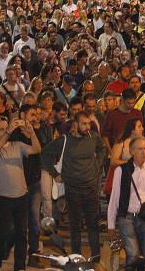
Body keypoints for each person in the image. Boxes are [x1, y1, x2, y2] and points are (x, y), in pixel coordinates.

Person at [41, 111, 106, 261]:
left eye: (89, 123)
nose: (87, 126)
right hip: (72, 189)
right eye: (84, 123)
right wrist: (54, 174)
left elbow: (102, 149)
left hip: (91, 188)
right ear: (75, 124)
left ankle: (96, 259)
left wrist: (98, 165)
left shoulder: (93, 137)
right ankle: (76, 259)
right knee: (75, 227)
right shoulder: (64, 140)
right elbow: (45, 154)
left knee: (93, 226)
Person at [0, 114, 40, 271]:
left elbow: (37, 149)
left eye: (6, 128)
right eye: (0, 129)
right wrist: (9, 129)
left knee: (20, 234)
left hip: (21, 196)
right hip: (3, 197)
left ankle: (19, 269)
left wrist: (32, 133)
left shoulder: (18, 145)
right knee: (1, 233)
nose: (5, 131)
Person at [107, 136, 145, 271]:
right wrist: (111, 224)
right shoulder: (122, 170)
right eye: (140, 149)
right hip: (127, 217)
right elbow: (114, 197)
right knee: (132, 254)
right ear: (132, 151)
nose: (144, 152)